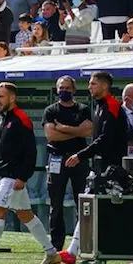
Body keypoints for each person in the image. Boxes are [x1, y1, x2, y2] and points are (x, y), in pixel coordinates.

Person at [0, 82, 61, 264]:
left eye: (1, 97)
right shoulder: (3, 118)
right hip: (7, 175)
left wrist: (23, 177)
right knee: (26, 215)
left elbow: (31, 152)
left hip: (13, 176)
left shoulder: (21, 120)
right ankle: (51, 253)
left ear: (12, 98)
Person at [59, 71, 129, 264]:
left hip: (112, 169)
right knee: (89, 207)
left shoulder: (113, 106)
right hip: (100, 167)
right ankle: (73, 251)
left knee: (111, 211)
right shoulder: (100, 106)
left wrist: (80, 155)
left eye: (93, 84)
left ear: (104, 86)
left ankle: (78, 251)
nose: (89, 87)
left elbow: (105, 139)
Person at [42, 76, 93, 251]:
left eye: (67, 88)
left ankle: (82, 243)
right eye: (61, 87)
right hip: (57, 158)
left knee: (83, 202)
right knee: (56, 204)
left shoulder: (83, 109)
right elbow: (51, 135)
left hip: (79, 158)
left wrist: (63, 128)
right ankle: (56, 245)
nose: (64, 91)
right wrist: (76, 132)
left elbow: (89, 131)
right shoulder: (51, 110)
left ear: (74, 90)